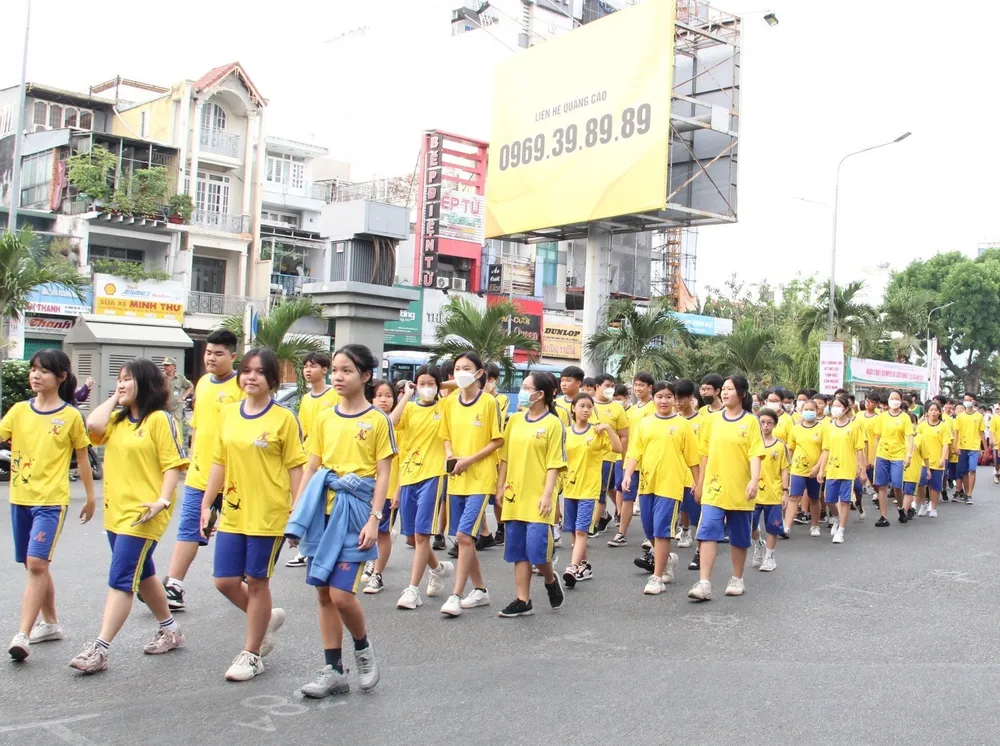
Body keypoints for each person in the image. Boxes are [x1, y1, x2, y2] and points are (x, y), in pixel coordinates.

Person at [69, 359, 189, 673]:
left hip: (144, 514)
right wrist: (115, 398)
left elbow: (172, 466)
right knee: (144, 574)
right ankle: (170, 629)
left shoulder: (160, 420)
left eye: (128, 380)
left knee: (122, 579)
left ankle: (100, 649)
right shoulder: (118, 421)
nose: (121, 384)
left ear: (146, 384)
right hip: (116, 513)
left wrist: (162, 502)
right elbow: (92, 426)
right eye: (119, 380)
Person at [287, 344, 393, 697]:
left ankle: (362, 648)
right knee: (322, 593)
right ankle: (333, 669)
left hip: (356, 514)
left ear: (365, 376)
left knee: (341, 595)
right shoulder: (323, 417)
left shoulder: (377, 421)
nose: (338, 376)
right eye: (335, 369)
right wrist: (297, 515)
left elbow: (382, 473)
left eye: (346, 370)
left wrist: (374, 520)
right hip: (323, 511)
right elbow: (312, 467)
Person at [199, 348, 306, 681]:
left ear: (272, 379)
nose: (251, 377)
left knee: (257, 581)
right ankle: (264, 619)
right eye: (246, 370)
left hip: (269, 514)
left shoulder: (284, 418)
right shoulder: (229, 414)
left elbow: (296, 468)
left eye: (259, 372)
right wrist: (206, 504)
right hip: (233, 511)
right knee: (225, 581)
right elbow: (218, 462)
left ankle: (252, 653)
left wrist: (297, 513)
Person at [2, 350, 95, 662]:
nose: (35, 375)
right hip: (20, 499)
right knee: (33, 564)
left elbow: (82, 457)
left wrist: (91, 497)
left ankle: (22, 634)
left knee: (38, 564)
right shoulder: (17, 411)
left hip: (51, 502)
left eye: (43, 370)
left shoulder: (70, 416)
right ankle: (51, 623)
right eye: (33, 369)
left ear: (62, 377)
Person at [164, 329, 243, 611]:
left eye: (218, 353)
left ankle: (244, 583)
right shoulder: (201, 384)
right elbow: (197, 428)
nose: (211, 357)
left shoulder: (242, 386)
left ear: (233, 356)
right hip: (201, 474)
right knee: (189, 528)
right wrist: (193, 459)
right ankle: (174, 585)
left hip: (236, 476)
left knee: (238, 533)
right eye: (208, 352)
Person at [494, 372, 567, 617]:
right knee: (518, 551)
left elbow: (555, 463)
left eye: (526, 387)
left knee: (537, 551)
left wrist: (548, 495)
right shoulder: (514, 420)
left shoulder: (553, 424)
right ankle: (523, 599)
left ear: (540, 394)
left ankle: (549, 579)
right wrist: (500, 485)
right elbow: (504, 457)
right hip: (515, 493)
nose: (522, 391)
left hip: (539, 495)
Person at [438, 351, 503, 617]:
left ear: (478, 373)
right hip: (456, 478)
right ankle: (480, 590)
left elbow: (497, 440)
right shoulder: (450, 403)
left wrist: (470, 459)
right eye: (457, 368)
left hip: (480, 478)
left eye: (467, 367)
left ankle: (455, 595)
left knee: (464, 536)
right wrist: (450, 454)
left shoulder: (488, 403)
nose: (460, 372)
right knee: (465, 540)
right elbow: (445, 435)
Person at [689, 375, 765, 601]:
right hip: (714, 489)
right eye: (723, 389)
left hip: (740, 490)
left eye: (730, 389)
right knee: (708, 533)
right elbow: (703, 454)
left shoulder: (751, 422)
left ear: (741, 394)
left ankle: (737, 578)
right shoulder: (711, 420)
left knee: (739, 537)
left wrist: (754, 480)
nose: (724, 393)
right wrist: (699, 483)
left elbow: (755, 454)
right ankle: (704, 583)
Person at [622, 381, 699, 595]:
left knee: (662, 530)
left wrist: (698, 483)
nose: (663, 401)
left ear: (674, 399)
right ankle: (667, 560)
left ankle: (657, 578)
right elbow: (634, 452)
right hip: (647, 484)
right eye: (659, 396)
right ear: (653, 398)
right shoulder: (645, 423)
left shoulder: (683, 425)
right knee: (649, 529)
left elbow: (693, 459)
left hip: (670, 485)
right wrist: (628, 475)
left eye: (668, 396)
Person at [393, 365, 455, 610]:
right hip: (408, 475)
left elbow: (463, 386)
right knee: (412, 537)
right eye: (422, 383)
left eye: (431, 384)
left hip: (434, 475)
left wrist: (440, 385)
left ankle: (412, 589)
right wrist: (407, 394)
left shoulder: (445, 407)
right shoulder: (408, 408)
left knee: (421, 535)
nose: (426, 388)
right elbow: (390, 422)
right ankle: (438, 569)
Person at [562, 393, 621, 587]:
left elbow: (618, 448)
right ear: (574, 408)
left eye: (589, 406)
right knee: (572, 530)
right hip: (570, 487)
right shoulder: (566, 432)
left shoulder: (596, 432)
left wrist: (609, 429)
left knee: (581, 531)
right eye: (582, 406)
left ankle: (572, 566)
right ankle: (584, 566)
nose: (586, 410)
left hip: (589, 489)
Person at [286, 351, 339, 568]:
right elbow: (304, 430)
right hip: (312, 459)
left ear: (324, 370)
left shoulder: (335, 394)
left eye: (313, 366)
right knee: (309, 502)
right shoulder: (306, 399)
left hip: (331, 459)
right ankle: (305, 548)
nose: (308, 370)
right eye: (306, 366)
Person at [360, 380, 400, 594]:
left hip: (389, 488)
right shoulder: (364, 422)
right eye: (379, 395)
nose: (384, 399)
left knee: (383, 533)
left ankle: (377, 574)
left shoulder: (396, 423)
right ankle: (369, 562)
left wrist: (398, 490)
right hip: (366, 488)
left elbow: (402, 462)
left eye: (388, 396)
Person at [608, 372, 654, 547]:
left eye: (641, 385)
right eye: (636, 385)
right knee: (627, 496)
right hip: (631, 460)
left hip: (649, 461)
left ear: (650, 387)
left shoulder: (655, 407)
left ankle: (650, 536)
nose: (638, 388)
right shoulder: (632, 410)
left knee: (647, 498)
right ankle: (621, 533)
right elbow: (625, 435)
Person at [816, 394, 865, 545]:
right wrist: (821, 469)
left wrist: (861, 468)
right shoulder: (828, 427)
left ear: (846, 409)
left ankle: (841, 530)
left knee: (845, 501)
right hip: (832, 469)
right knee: (829, 499)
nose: (835, 409)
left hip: (848, 469)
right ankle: (837, 518)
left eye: (839, 406)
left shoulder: (854, 427)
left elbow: (859, 449)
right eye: (834, 406)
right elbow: (825, 450)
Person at [591, 373, 629, 535]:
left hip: (608, 456)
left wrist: (624, 458)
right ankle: (605, 515)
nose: (610, 389)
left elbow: (624, 435)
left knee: (600, 491)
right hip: (586, 457)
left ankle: (591, 526)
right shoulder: (587, 404)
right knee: (603, 488)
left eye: (612, 386)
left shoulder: (617, 408)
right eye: (607, 385)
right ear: (597, 387)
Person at [872, 389, 915, 527]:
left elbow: (910, 438)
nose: (894, 400)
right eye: (892, 398)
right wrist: (874, 457)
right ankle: (883, 516)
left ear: (901, 400)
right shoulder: (882, 417)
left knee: (897, 485)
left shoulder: (905, 418)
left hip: (898, 455)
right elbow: (877, 437)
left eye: (897, 398)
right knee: (882, 486)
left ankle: (901, 508)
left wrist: (908, 455)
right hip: (882, 454)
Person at [752, 408, 789, 569]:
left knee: (772, 527)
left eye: (769, 423)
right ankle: (758, 544)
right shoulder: (752, 443)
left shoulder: (780, 446)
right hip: (753, 492)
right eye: (762, 422)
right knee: (751, 525)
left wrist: (786, 491)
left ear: (774, 425)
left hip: (774, 492)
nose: (765, 426)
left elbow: (784, 469)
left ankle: (769, 557)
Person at [785, 400, 825, 537]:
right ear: (801, 410)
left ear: (816, 410)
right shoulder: (795, 429)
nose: (808, 412)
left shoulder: (822, 428)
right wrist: (787, 467)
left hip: (814, 470)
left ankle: (815, 526)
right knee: (794, 497)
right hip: (797, 469)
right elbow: (790, 449)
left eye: (811, 409)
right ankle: (787, 526)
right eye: (806, 409)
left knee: (814, 498)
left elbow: (825, 450)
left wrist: (819, 468)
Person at [916, 402, 948, 517]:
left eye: (936, 410)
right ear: (927, 412)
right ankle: (923, 504)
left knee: (935, 485)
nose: (933, 412)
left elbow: (945, 444)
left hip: (937, 460)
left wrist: (943, 458)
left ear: (940, 412)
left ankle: (933, 507)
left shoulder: (944, 426)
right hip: (923, 461)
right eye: (931, 410)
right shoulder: (922, 426)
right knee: (921, 483)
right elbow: (916, 440)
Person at [954, 393, 985, 505]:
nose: (967, 401)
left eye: (969, 400)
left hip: (974, 447)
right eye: (965, 399)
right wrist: (955, 446)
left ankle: (969, 494)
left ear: (974, 401)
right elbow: (956, 432)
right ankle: (967, 492)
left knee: (972, 469)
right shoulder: (960, 417)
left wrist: (984, 449)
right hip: (962, 447)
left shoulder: (979, 417)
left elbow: (982, 433)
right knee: (964, 472)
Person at [162, 357, 192, 441]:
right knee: (164, 432)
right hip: (163, 410)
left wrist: (183, 397)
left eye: (167, 365)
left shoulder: (180, 378)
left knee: (177, 433)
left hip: (175, 411)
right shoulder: (160, 377)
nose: (165, 367)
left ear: (173, 367)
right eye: (164, 365)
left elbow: (190, 386)